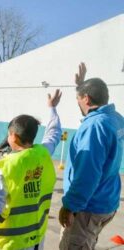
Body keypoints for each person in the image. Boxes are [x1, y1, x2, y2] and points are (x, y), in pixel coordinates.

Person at [0, 90, 62, 250]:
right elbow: (54, 132)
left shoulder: (6, 167)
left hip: (12, 241)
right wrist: (52, 109)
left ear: (14, 136)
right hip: (37, 236)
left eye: (8, 134)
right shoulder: (44, 152)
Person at [59, 63, 124, 250]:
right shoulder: (115, 118)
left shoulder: (94, 126)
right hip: (106, 201)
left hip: (88, 207)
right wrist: (80, 86)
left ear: (86, 99)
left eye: (79, 98)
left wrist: (70, 205)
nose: (78, 103)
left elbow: (88, 174)